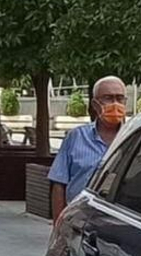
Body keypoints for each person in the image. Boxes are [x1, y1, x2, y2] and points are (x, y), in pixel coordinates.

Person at [49, 76, 127, 221]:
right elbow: (59, 184)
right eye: (108, 98)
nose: (115, 104)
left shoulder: (133, 137)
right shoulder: (76, 137)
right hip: (79, 222)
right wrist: (58, 226)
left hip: (118, 224)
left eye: (120, 98)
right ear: (95, 104)